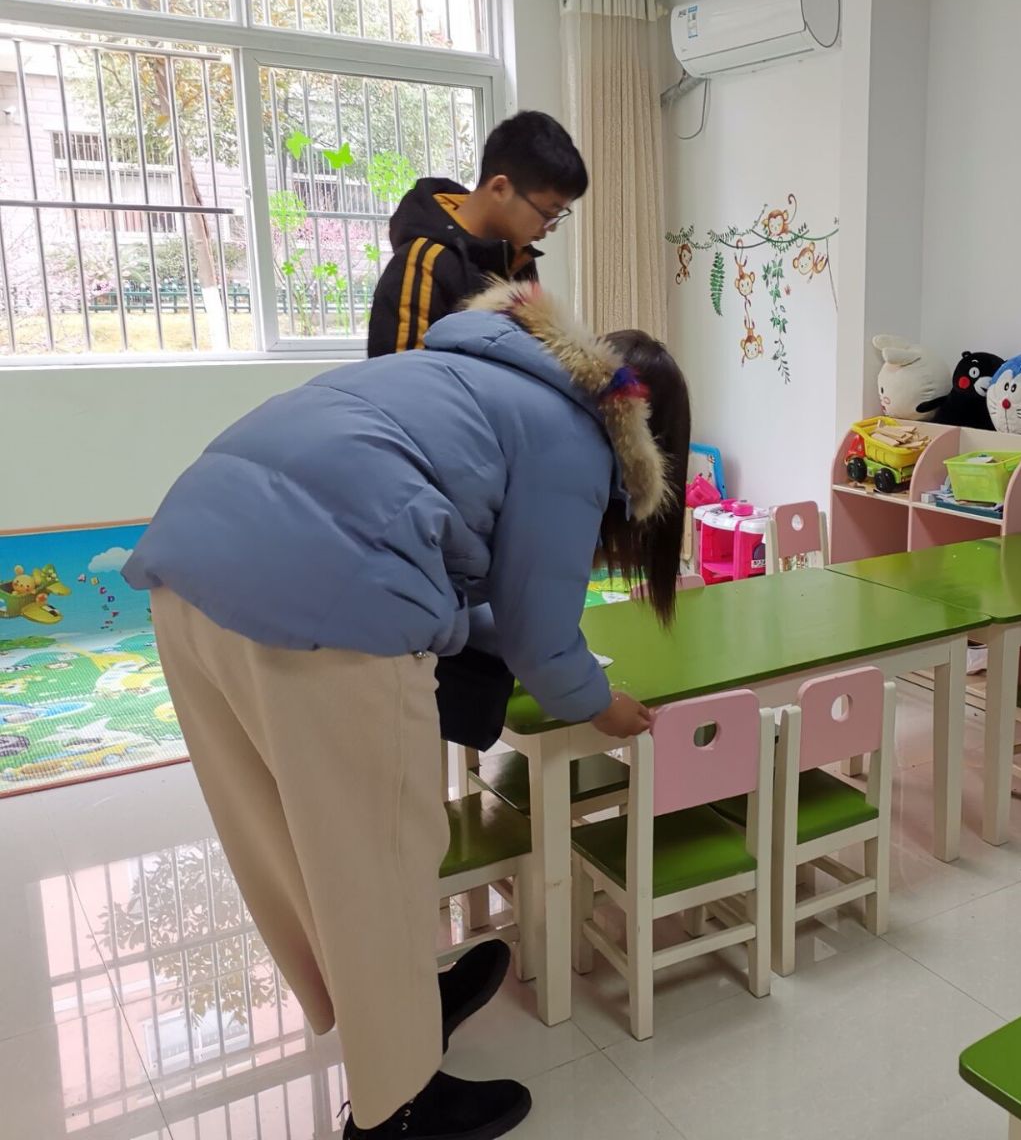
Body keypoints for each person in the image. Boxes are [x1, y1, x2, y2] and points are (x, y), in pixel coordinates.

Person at [126, 281, 689, 1140]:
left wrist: (508, 647)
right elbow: (543, 638)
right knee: (379, 853)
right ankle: (398, 1107)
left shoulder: (464, 368)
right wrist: (599, 705)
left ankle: (395, 1004)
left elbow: (453, 574)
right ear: (649, 438)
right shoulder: (576, 440)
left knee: (294, 837)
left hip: (187, 572)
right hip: (320, 603)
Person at [367, 110, 586, 358]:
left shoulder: (518, 260)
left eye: (558, 215)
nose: (551, 227)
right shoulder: (423, 264)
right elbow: (398, 376)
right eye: (547, 213)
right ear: (500, 188)